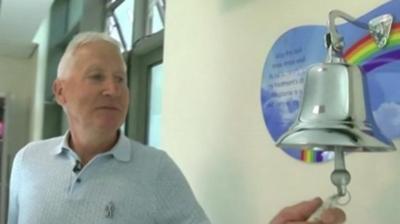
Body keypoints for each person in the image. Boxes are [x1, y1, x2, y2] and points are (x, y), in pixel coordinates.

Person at [7, 32, 345, 224]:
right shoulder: (26, 162)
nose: (113, 89)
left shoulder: (157, 171)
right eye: (96, 77)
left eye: (120, 79)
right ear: (60, 91)